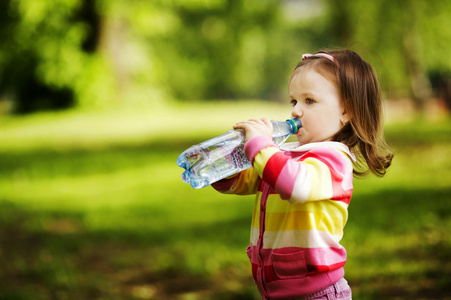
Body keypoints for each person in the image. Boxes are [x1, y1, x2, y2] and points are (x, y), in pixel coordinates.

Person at [212, 49, 393, 300]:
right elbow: (248, 179)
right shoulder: (286, 154)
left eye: (309, 101)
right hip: (278, 291)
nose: (296, 111)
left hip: (317, 293)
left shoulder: (334, 161)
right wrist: (224, 167)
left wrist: (261, 146)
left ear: (346, 111)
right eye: (293, 101)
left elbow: (294, 184)